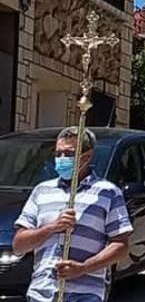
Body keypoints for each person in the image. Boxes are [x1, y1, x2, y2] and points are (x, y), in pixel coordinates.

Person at [13, 128, 133, 302]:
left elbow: (120, 246)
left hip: (85, 293)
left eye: (68, 154)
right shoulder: (42, 191)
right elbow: (19, 246)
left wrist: (83, 268)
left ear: (87, 156)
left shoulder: (108, 193)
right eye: (58, 153)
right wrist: (52, 228)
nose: (62, 159)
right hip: (42, 292)